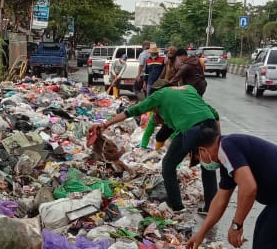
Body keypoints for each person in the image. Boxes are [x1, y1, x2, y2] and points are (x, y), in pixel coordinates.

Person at [91, 82, 218, 214]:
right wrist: (217, 140)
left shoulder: (158, 95)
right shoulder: (189, 88)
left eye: (154, 110)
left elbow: (130, 111)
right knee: (207, 166)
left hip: (191, 129)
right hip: (210, 125)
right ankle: (211, 207)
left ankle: (177, 207)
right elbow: (214, 114)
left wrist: (105, 125)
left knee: (168, 165)